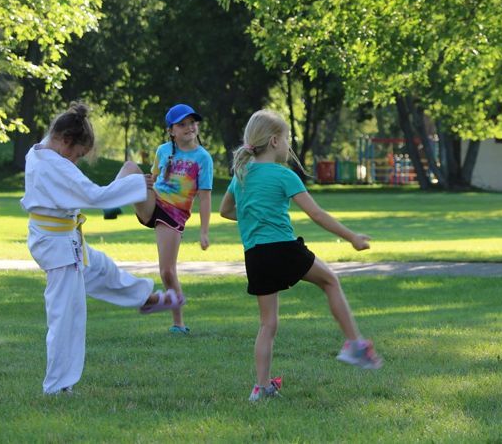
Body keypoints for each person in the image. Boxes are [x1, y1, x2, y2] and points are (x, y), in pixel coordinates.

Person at [219, 109, 382, 402]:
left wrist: (253, 216)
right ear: (273, 141)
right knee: (330, 281)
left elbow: (226, 211)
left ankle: (261, 388)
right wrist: (352, 237)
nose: (288, 146)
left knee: (267, 325)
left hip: (255, 256)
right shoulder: (283, 175)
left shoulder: (241, 175)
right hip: (283, 248)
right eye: (286, 140)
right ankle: (355, 344)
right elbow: (316, 214)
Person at [23, 102, 182, 395]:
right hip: (58, 246)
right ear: (66, 141)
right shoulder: (54, 165)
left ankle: (145, 297)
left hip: (62, 239)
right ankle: (58, 386)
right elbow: (94, 196)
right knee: (66, 314)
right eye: (78, 155)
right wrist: (137, 183)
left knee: (101, 269)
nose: (76, 161)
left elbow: (84, 193)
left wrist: (132, 182)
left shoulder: (38, 152)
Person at [133, 103, 213, 334]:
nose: (189, 128)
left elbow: (205, 198)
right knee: (130, 168)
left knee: (167, 271)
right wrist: (142, 184)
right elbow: (154, 177)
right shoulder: (162, 151)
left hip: (173, 214)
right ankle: (108, 202)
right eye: (182, 124)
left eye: (192, 123)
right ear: (171, 130)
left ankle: (179, 323)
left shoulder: (203, 158)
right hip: (153, 202)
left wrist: (204, 232)